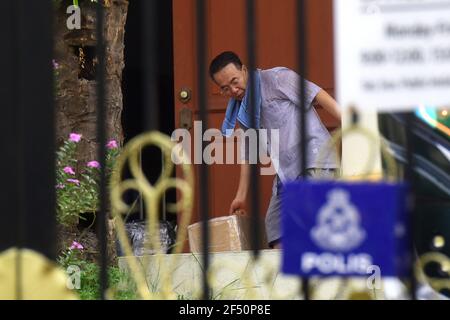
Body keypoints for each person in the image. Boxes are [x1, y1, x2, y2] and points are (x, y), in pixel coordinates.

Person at [209, 51, 341, 249]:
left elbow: (318, 95)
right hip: (285, 172)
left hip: (314, 160)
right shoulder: (244, 110)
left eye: (235, 81)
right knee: (275, 227)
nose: (234, 90)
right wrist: (241, 196)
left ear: (244, 70)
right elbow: (249, 152)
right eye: (225, 88)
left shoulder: (277, 78)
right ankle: (288, 278)